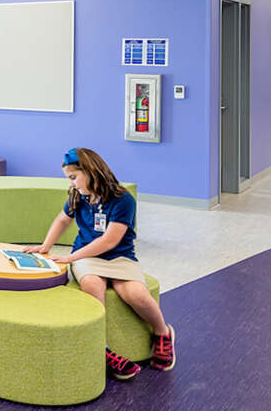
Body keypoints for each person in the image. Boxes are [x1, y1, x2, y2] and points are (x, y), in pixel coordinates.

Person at [24, 147, 176, 379]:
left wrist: (69, 258)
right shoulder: (77, 196)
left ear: (90, 171)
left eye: (74, 177)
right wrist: (45, 246)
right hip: (86, 257)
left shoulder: (123, 200)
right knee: (92, 285)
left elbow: (109, 241)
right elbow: (62, 220)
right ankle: (102, 349)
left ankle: (162, 333)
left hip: (120, 257)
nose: (72, 184)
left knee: (136, 294)